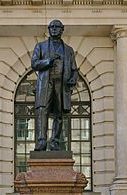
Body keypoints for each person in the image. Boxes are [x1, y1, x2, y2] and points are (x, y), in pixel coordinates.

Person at [31, 19, 78, 151]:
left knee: (59, 113)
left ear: (62, 30)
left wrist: (73, 79)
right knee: (42, 111)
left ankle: (55, 142)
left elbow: (74, 70)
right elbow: (34, 64)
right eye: (51, 27)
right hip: (46, 83)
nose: (54, 29)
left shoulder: (68, 50)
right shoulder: (40, 46)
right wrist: (47, 61)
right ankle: (41, 141)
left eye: (57, 27)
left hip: (61, 84)